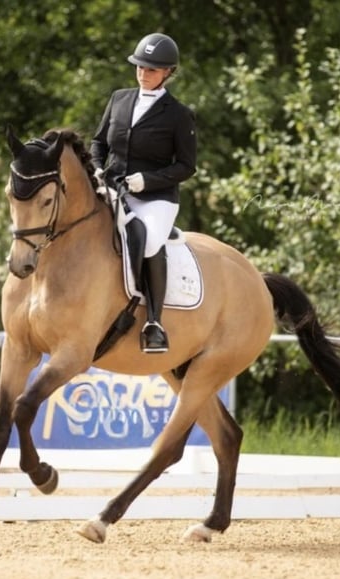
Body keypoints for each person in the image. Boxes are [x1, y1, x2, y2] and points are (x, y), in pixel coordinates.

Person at [90, 32, 197, 354]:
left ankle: (153, 321)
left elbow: (186, 166)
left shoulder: (178, 114)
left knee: (148, 240)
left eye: (151, 69)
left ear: (168, 73)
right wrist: (96, 166)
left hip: (156, 197)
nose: (143, 73)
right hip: (112, 187)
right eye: (140, 67)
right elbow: (99, 143)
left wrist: (146, 181)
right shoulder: (119, 99)